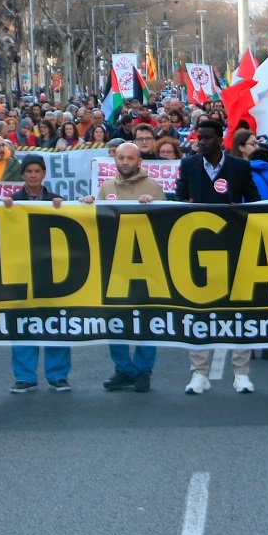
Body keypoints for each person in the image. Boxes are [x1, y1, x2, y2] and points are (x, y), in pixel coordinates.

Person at [175, 120, 260, 395]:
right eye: (200, 137)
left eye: (208, 138)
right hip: (198, 247)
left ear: (220, 139)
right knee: (198, 311)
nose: (201, 142)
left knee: (238, 311)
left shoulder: (239, 167)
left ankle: (241, 373)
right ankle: (199, 373)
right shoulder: (189, 165)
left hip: (234, 246)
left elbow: (255, 202)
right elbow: (178, 201)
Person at [93, 143, 165, 391]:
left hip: (145, 263)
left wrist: (153, 206)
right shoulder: (106, 187)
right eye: (120, 157)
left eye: (129, 158)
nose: (124, 162)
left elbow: (167, 223)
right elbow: (97, 223)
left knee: (145, 318)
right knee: (116, 319)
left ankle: (143, 370)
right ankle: (124, 369)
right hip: (115, 264)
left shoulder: (152, 187)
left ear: (139, 161)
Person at [0, 156, 73, 393]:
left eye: (37, 171)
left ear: (44, 174)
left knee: (56, 322)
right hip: (21, 272)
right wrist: (5, 212)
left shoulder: (56, 201)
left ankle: (58, 375)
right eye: (28, 171)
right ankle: (25, 376)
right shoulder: (10, 202)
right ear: (22, 175)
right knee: (22, 323)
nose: (33, 175)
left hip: (53, 272)